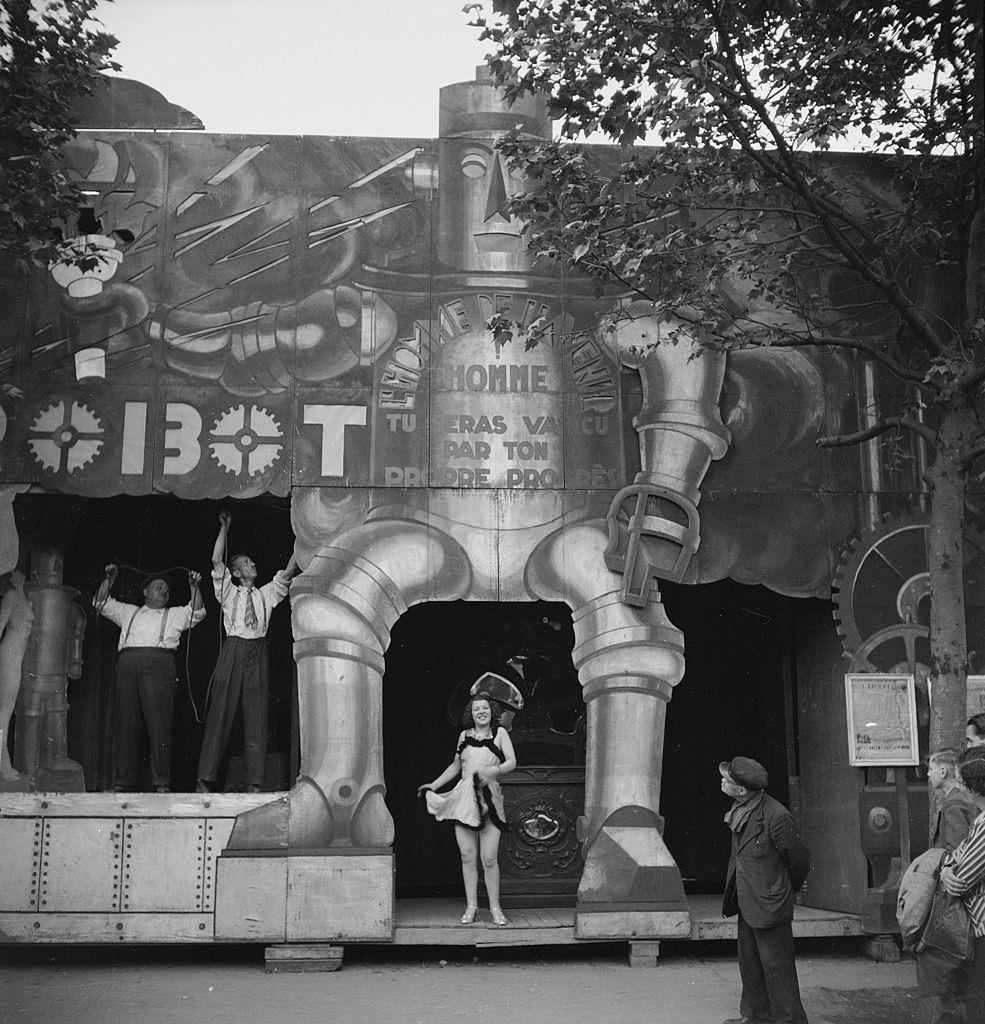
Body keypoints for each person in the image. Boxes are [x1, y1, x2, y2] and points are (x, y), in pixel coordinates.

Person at [196, 511, 296, 794]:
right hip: (234, 648)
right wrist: (224, 529)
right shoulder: (228, 591)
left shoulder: (266, 593)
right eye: (247, 563)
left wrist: (303, 541)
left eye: (252, 562)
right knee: (221, 712)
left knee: (257, 715)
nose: (253, 565)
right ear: (237, 573)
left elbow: (288, 572)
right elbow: (217, 560)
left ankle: (255, 781)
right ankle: (205, 779)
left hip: (257, 652)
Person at [95, 565, 204, 792]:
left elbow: (197, 609)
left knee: (160, 725)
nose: (163, 591)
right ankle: (122, 783)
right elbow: (100, 603)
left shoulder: (173, 614)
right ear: (145, 592)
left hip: (159, 665)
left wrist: (194, 588)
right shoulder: (129, 611)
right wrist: (109, 580)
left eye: (165, 588)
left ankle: (161, 783)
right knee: (126, 723)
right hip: (128, 665)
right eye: (157, 587)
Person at [720, 755, 811, 1024]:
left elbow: (800, 859)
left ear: (742, 790)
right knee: (750, 964)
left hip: (769, 902)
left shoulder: (776, 816)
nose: (722, 782)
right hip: (748, 899)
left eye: (727, 780)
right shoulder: (742, 808)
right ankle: (756, 1016)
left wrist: (781, 890)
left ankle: (790, 1020)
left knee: (777, 966)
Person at [418, 693, 516, 926]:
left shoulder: (500, 733)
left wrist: (496, 770)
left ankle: (495, 908)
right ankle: (471, 906)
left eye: (484, 708)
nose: (480, 712)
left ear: (491, 711)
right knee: (467, 855)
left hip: (489, 799)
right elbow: (455, 765)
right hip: (464, 800)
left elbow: (512, 762)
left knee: (489, 857)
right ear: (470, 714)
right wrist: (434, 785)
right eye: (476, 709)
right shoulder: (464, 736)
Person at [936, 747, 985, 1024]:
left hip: (981, 925)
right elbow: (952, 859)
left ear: (971, 787)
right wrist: (946, 869)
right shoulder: (978, 820)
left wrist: (947, 871)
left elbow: (960, 879)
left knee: (976, 998)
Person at [0, 570, 33, 786]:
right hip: (9, 657)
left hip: (17, 658)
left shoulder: (24, 598)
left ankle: (5, 766)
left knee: (5, 714)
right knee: (3, 715)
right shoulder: (12, 596)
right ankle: (4, 768)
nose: (20, 574)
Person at [930, 748, 979, 851]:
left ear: (943, 771)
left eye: (931, 769)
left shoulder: (953, 802)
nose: (928, 774)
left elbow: (956, 849)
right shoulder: (964, 796)